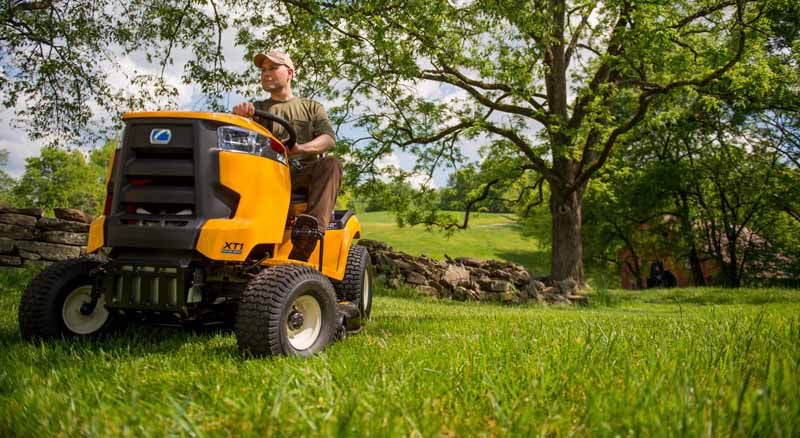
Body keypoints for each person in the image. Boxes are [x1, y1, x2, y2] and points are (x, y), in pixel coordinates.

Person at [232, 50, 342, 262]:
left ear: (290, 72)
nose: (266, 73)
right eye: (263, 70)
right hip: (270, 176)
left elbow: (328, 139)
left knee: (331, 164)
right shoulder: (257, 109)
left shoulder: (311, 107)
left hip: (302, 176)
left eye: (273, 68)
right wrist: (240, 118)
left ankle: (308, 235)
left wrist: (301, 148)